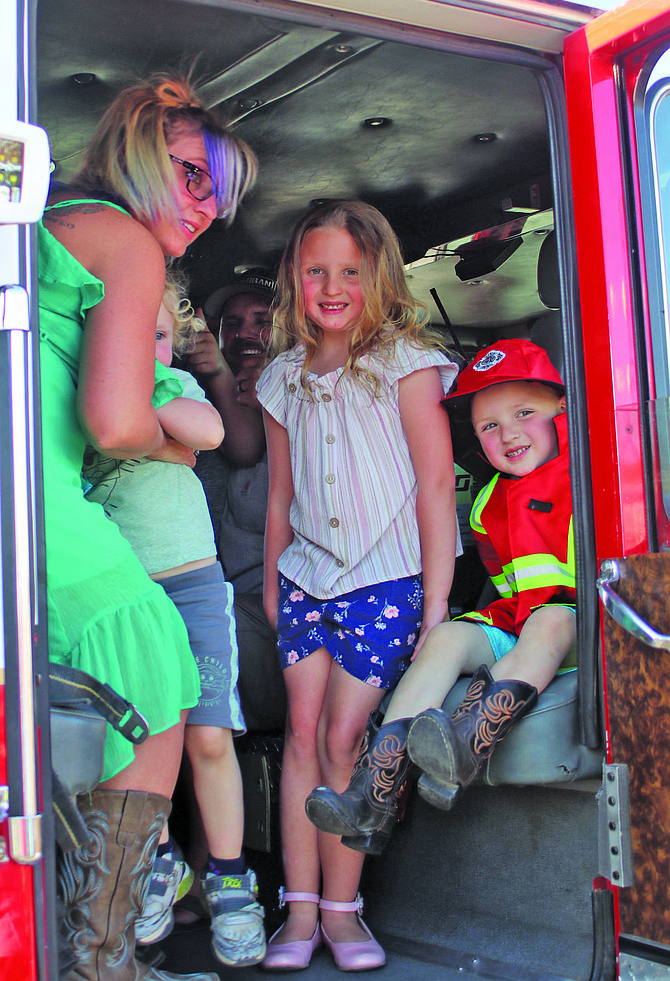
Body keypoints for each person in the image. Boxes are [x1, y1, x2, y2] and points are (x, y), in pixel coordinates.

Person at [40, 72, 256, 981]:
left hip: (36, 500)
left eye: (221, 191)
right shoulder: (126, 242)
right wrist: (171, 446)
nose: (206, 207)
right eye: (191, 174)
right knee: (162, 680)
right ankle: (101, 957)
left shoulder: (53, 224)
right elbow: (117, 424)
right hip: (43, 506)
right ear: (130, 145)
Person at [255, 199, 460, 971]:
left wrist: (435, 602)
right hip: (307, 578)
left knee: (345, 737)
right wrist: (278, 585)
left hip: (386, 580)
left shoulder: (407, 363)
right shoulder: (281, 378)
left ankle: (344, 911)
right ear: (295, 280)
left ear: (379, 276)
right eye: (316, 271)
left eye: (350, 270)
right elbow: (281, 494)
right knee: (302, 736)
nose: (333, 286)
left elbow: (436, 485)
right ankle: (298, 912)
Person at [305, 339, 576, 856]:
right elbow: (504, 584)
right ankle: (372, 794)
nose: (509, 433)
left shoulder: (590, 476)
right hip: (521, 625)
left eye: (525, 413)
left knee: (551, 622)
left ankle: (465, 747)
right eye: (489, 426)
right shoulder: (486, 503)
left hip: (587, 628)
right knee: (450, 634)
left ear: (562, 411)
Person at [83, 274, 266, 968]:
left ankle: (229, 878)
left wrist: (144, 388)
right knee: (136, 744)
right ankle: (158, 861)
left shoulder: (176, 388)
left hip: (192, 585)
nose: (145, 350)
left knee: (210, 737)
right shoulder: (85, 400)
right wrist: (157, 441)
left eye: (157, 336)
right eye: (127, 339)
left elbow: (209, 433)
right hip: (124, 596)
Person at [187, 269, 286, 731]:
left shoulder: (309, 404)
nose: (247, 333)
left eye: (262, 320)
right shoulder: (193, 409)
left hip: (276, 611)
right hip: (215, 599)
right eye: (232, 323)